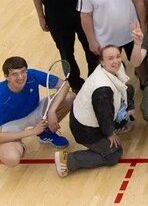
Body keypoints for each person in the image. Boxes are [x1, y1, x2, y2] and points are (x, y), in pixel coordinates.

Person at [54, 45, 135, 178]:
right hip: (85, 129)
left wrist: (130, 106)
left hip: (89, 113)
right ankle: (68, 160)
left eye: (118, 56)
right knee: (114, 154)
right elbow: (103, 115)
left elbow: (124, 88)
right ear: (102, 62)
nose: (116, 61)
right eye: (110, 58)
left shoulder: (112, 69)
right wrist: (110, 133)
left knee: (129, 89)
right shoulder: (102, 89)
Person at [0, 56, 73, 167]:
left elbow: (64, 85)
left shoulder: (32, 75)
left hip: (35, 111)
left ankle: (45, 132)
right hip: (11, 125)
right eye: (14, 74)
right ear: (6, 77)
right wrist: (33, 131)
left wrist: (52, 111)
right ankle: (18, 143)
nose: (21, 77)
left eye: (23, 71)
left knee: (69, 97)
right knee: (11, 159)